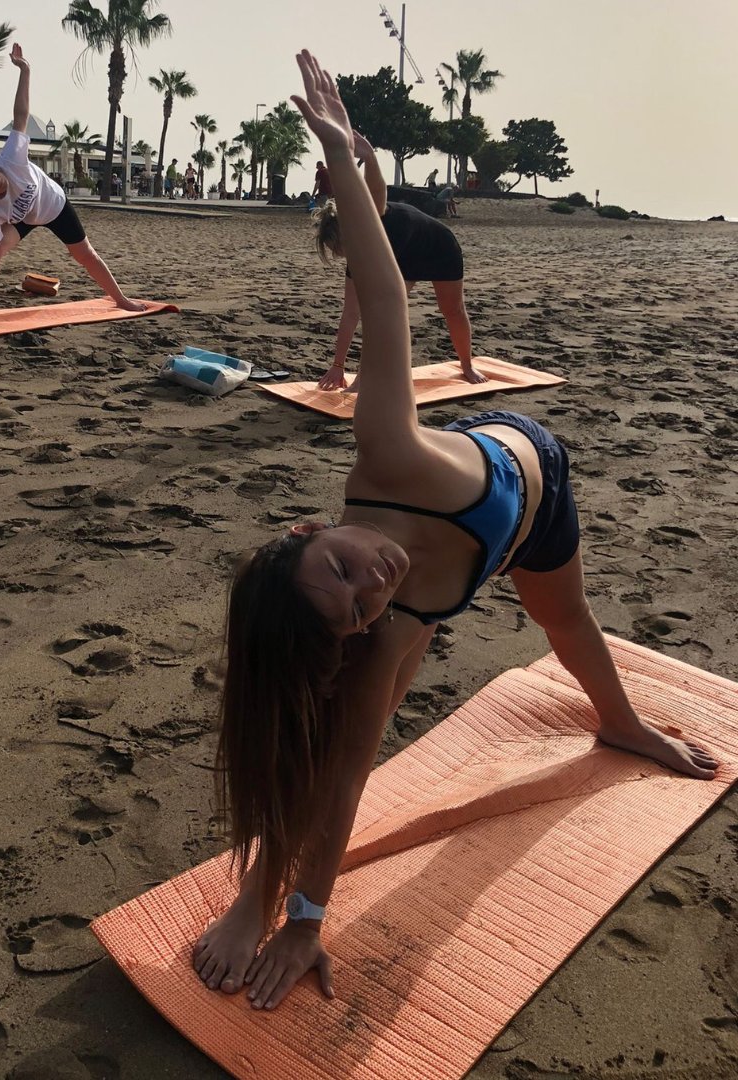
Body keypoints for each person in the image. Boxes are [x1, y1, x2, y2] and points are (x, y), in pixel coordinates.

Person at [191, 47, 717, 1015]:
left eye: (342, 567)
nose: (373, 582)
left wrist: (346, 160)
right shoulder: (377, 624)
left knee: (569, 627)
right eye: (354, 610)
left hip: (529, 479)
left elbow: (385, 292)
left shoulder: (386, 454)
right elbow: (342, 777)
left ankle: (619, 721)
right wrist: (294, 915)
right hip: (484, 551)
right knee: (343, 741)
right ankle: (258, 885)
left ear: (315, 527)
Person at [0, 44, 144, 324]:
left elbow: (21, 115)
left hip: (53, 205)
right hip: (23, 218)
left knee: (85, 254)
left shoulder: (11, 157)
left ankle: (122, 300)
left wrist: (25, 70)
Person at [313, 133, 483, 390]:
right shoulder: (359, 254)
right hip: (402, 255)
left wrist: (369, 156)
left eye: (341, 248)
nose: (343, 256)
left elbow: (376, 190)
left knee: (452, 310)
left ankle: (467, 365)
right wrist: (337, 367)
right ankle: (364, 374)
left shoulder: (372, 219)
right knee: (376, 312)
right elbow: (350, 313)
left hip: (438, 247)